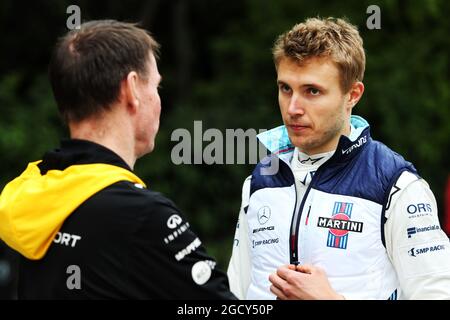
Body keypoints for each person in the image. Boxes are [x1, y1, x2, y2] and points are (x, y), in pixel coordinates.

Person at [0, 20, 236, 299]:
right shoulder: (143, 216)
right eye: (156, 87)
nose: (158, 100)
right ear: (132, 89)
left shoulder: (29, 196)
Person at [227, 17, 450, 300]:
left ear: (352, 95)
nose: (293, 108)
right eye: (285, 89)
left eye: (312, 91)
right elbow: (234, 293)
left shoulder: (396, 186)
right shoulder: (259, 181)